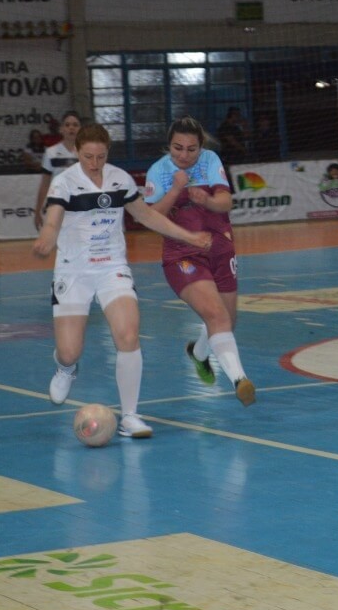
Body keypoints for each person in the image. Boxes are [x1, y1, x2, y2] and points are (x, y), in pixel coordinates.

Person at [32, 123, 213, 439]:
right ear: (78, 152)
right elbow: (53, 219)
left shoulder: (120, 179)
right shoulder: (64, 182)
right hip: (73, 272)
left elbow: (147, 215)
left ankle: (130, 417)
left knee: (128, 335)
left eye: (101, 156)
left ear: (108, 153)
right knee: (69, 351)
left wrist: (189, 237)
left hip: (112, 268)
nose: (94, 163)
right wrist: (47, 238)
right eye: (88, 156)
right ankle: (65, 368)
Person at [144, 117, 256, 407]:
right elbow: (150, 217)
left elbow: (226, 201)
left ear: (201, 146)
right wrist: (174, 190)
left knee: (227, 320)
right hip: (182, 255)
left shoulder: (210, 160)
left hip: (221, 248)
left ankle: (199, 353)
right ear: (169, 145)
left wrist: (207, 201)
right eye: (177, 148)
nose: (184, 155)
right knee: (217, 316)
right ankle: (240, 380)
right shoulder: (159, 171)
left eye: (191, 149)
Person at [34, 111, 82, 229]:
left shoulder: (87, 153)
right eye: (67, 125)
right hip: (57, 205)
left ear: (80, 129)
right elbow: (45, 183)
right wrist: (37, 210)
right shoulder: (51, 152)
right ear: (61, 129)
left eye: (75, 125)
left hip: (81, 205)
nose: (71, 128)